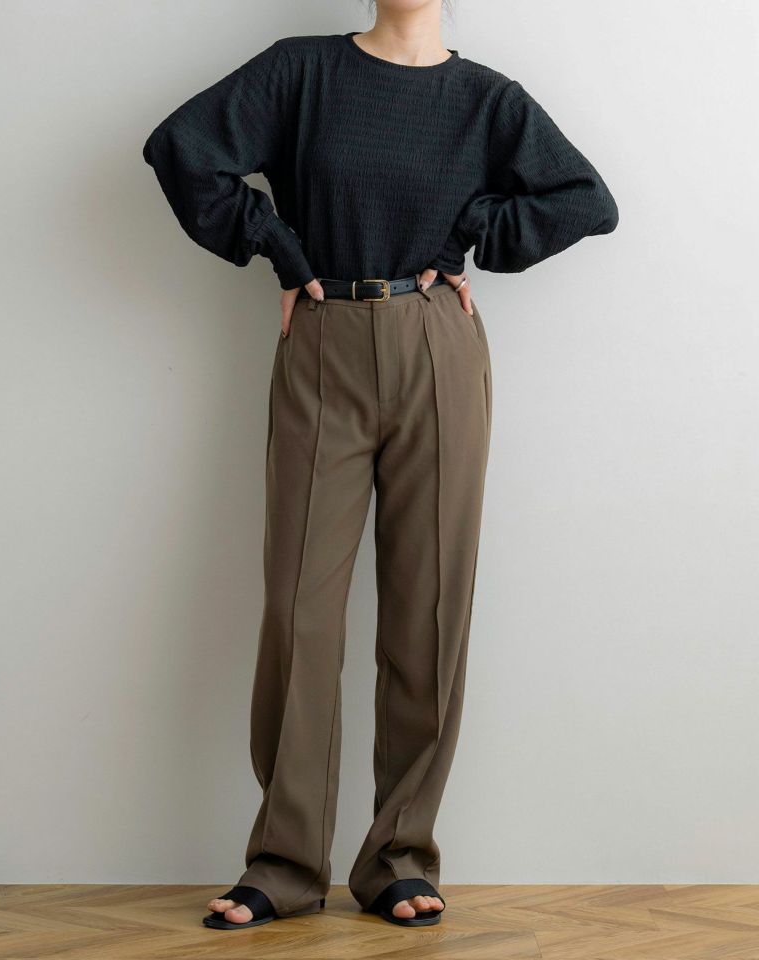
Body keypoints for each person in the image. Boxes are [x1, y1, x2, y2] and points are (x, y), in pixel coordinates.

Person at [141, 0, 618, 932]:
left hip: (439, 345)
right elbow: (181, 148)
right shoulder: (301, 71)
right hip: (323, 338)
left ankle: (399, 856)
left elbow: (586, 201)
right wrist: (279, 249)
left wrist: (470, 232)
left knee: (428, 609)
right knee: (300, 607)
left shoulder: (487, 99)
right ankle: (284, 865)